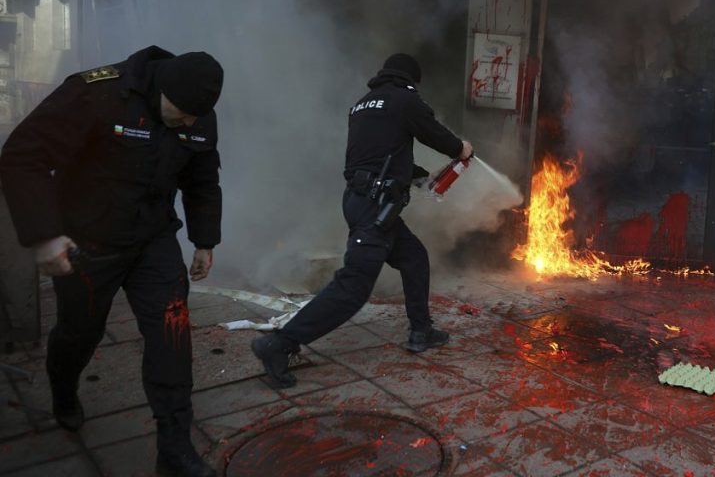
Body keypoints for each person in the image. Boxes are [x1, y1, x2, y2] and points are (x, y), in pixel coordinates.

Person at [0, 46, 223, 477]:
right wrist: (44, 236)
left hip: (153, 240)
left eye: (195, 118)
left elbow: (202, 180)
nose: (188, 124)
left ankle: (174, 448)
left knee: (172, 333)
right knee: (79, 333)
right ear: (162, 89)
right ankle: (64, 387)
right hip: (89, 243)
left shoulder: (196, 112)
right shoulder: (96, 93)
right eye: (181, 115)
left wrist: (204, 241)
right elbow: (23, 157)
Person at [251, 53, 472, 388]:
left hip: (363, 201)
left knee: (414, 257)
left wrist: (415, 176)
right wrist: (461, 148)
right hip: (374, 207)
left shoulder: (362, 105)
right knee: (353, 288)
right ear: (411, 80)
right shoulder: (405, 99)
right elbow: (439, 137)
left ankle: (421, 330)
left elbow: (375, 153)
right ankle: (279, 343)